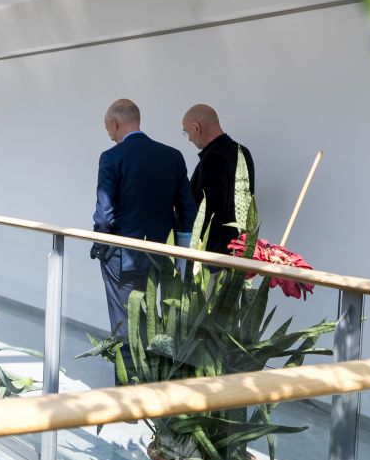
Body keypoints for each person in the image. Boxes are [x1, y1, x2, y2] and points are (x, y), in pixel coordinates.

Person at [91, 98, 194, 335]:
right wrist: (184, 255)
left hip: (123, 257)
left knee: (126, 327)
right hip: (164, 255)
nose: (109, 136)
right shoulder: (172, 156)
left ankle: (128, 373)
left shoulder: (111, 157)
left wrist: (100, 246)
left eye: (108, 129)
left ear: (115, 123)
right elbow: (188, 209)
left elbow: (104, 217)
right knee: (155, 325)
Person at [182, 103, 257, 253]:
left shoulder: (212, 160)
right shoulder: (243, 152)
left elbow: (208, 212)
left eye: (186, 132)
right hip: (239, 250)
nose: (189, 138)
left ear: (196, 127)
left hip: (214, 256)